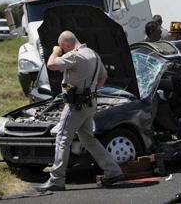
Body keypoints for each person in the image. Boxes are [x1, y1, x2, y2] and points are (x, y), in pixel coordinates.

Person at [37, 31, 124, 192]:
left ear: (66, 44)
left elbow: (51, 64)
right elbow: (103, 78)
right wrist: (89, 90)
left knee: (62, 138)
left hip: (75, 106)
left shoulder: (75, 56)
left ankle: (57, 179)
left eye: (64, 48)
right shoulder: (94, 55)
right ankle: (113, 171)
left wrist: (56, 52)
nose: (64, 52)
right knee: (88, 139)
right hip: (90, 103)